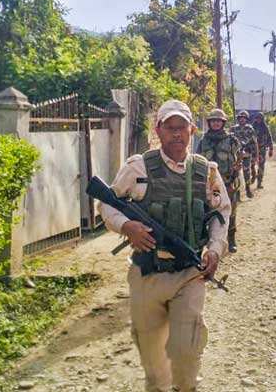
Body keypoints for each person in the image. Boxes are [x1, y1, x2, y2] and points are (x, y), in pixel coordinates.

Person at [98, 100, 232, 392]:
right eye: (169, 128)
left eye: (182, 127)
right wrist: (127, 226)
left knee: (186, 353)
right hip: (147, 274)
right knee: (155, 370)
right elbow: (106, 205)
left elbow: (221, 212)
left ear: (192, 130)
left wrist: (215, 248)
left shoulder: (206, 171)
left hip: (189, 274)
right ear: (157, 130)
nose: (176, 134)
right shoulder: (138, 167)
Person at [196, 108, 241, 252]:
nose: (216, 124)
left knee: (231, 210)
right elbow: (197, 159)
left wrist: (235, 174)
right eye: (213, 121)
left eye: (218, 121)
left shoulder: (231, 140)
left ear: (223, 123)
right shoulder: (204, 141)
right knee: (206, 210)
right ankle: (209, 240)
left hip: (227, 182)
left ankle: (231, 238)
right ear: (209, 123)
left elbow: (239, 157)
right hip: (208, 183)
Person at [231, 111, 259, 198]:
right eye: (240, 118)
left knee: (246, 172)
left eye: (244, 118)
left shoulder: (250, 129)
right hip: (235, 154)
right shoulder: (233, 129)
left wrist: (256, 156)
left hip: (246, 153)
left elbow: (255, 143)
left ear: (246, 119)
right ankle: (237, 192)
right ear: (238, 119)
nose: (242, 119)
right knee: (235, 173)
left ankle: (247, 189)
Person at [252, 113, 274, 189]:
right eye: (257, 118)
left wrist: (271, 149)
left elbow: (269, 138)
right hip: (252, 149)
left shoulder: (265, 128)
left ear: (262, 119)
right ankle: (252, 176)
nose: (258, 120)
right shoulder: (252, 128)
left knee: (261, 166)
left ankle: (259, 182)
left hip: (262, 149)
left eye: (259, 118)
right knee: (251, 165)